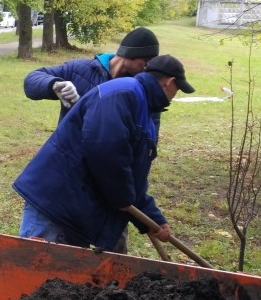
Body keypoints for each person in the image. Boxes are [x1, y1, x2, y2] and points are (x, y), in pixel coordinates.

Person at [13, 55, 195, 252]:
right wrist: (122, 197)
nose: (174, 96)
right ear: (169, 82)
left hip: (78, 210)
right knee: (39, 267)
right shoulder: (122, 93)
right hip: (58, 205)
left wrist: (152, 220)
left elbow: (134, 177)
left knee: (65, 270)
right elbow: (105, 149)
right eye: (178, 89)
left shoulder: (143, 111)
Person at [23, 27, 160, 123]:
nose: (147, 68)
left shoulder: (143, 88)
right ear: (129, 55)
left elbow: (149, 139)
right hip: (70, 154)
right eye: (146, 61)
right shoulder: (78, 69)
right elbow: (31, 80)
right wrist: (54, 85)